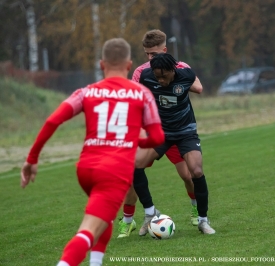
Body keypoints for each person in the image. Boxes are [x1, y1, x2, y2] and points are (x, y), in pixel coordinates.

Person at [20, 38, 164, 266]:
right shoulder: (142, 94)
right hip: (114, 172)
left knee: (103, 219)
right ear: (129, 65)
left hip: (86, 170)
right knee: (87, 232)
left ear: (101, 64)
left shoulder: (86, 92)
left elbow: (52, 121)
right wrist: (133, 141)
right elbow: (157, 138)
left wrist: (32, 159)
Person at [117, 29, 203, 238]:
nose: (149, 59)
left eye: (153, 55)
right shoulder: (141, 72)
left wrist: (173, 79)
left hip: (178, 130)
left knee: (188, 175)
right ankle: (128, 221)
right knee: (132, 174)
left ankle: (195, 209)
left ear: (164, 50)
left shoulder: (181, 68)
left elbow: (198, 87)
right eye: (146, 54)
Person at [133, 53, 216, 235]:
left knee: (196, 171)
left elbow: (199, 88)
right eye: (157, 77)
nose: (161, 80)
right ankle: (150, 212)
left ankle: (203, 220)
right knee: (135, 165)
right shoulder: (146, 76)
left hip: (185, 132)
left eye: (164, 76)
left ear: (173, 70)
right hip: (160, 132)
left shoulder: (186, 75)